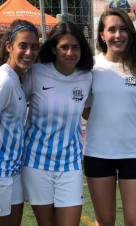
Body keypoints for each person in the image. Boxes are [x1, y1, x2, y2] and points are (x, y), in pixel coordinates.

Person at [82, 8, 136, 226]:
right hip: (97, 153)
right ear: (102, 35)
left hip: (135, 153)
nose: (118, 35)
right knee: (105, 222)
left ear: (130, 34)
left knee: (135, 222)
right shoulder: (90, 68)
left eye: (123, 29)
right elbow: (86, 109)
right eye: (111, 29)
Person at [21, 22, 94, 226]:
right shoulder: (36, 73)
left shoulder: (87, 77)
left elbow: (91, 112)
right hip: (36, 163)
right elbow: (16, 106)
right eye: (64, 47)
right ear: (54, 48)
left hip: (70, 164)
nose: (70, 52)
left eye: (76, 47)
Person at [0, 19, 39, 226]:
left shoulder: (17, 78)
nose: (29, 52)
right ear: (9, 46)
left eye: (34, 47)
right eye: (23, 46)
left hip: (13, 172)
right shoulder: (4, 80)